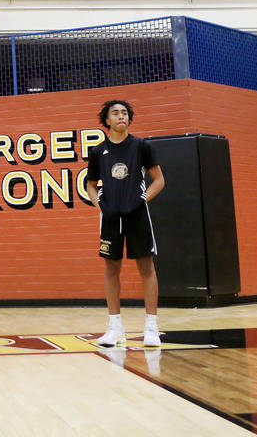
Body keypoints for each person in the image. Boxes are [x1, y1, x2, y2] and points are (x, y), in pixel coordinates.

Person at [85, 99, 165, 347]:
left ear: (129, 119)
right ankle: (114, 328)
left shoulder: (141, 146)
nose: (121, 116)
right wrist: (101, 206)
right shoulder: (98, 151)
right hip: (111, 216)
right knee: (111, 268)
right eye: (115, 113)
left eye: (124, 113)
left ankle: (151, 328)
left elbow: (159, 180)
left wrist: (141, 200)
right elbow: (90, 184)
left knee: (146, 267)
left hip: (137, 214)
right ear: (106, 120)